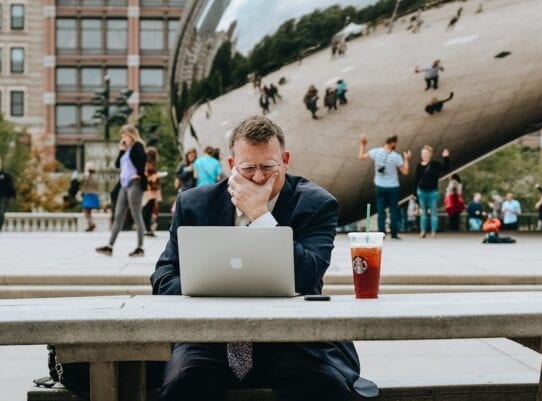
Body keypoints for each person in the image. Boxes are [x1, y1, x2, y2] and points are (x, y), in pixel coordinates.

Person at [151, 116, 377, 401]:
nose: (258, 177)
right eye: (248, 169)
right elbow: (162, 276)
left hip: (291, 337)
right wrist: (204, 287)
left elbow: (307, 276)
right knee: (184, 384)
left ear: (285, 160)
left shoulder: (317, 204)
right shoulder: (195, 204)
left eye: (268, 167)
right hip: (210, 336)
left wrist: (260, 215)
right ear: (232, 166)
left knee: (322, 385)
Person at [96, 125, 147, 257]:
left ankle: (140, 248)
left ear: (131, 135)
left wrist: (138, 174)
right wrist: (122, 150)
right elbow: (117, 164)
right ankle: (109, 246)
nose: (123, 138)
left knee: (136, 215)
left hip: (135, 183)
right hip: (124, 184)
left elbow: (141, 162)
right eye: (122, 136)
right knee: (118, 216)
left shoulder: (138, 146)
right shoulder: (126, 149)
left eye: (124, 135)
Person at [358, 134, 411, 239]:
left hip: (380, 186)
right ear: (392, 144)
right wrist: (407, 159)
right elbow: (405, 171)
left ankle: (381, 234)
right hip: (393, 186)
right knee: (393, 210)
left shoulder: (376, 152)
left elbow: (361, 157)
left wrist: (363, 144)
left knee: (380, 210)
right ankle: (394, 234)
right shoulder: (396, 157)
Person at [415, 145, 450, 238]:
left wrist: (445, 157)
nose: (424, 155)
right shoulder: (419, 165)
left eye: (426, 153)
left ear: (430, 154)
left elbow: (446, 168)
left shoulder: (435, 164)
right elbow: (416, 180)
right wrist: (414, 193)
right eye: (423, 153)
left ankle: (433, 231)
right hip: (421, 191)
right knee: (423, 213)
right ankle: (423, 231)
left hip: (433, 192)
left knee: (434, 212)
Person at [142, 147, 162, 237]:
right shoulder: (148, 164)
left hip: (151, 190)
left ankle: (148, 228)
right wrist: (155, 176)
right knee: (147, 209)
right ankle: (147, 228)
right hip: (149, 190)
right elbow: (146, 177)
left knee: (149, 209)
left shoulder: (149, 164)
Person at [81, 162, 100, 232]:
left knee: (86, 211)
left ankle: (91, 223)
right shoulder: (96, 176)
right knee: (89, 211)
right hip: (95, 195)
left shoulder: (87, 176)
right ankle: (90, 225)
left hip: (88, 194)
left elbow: (84, 184)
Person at [0, 157, 16, 231]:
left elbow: (11, 187)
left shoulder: (6, 176)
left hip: (3, 198)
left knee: (1, 213)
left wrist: (12, 196)